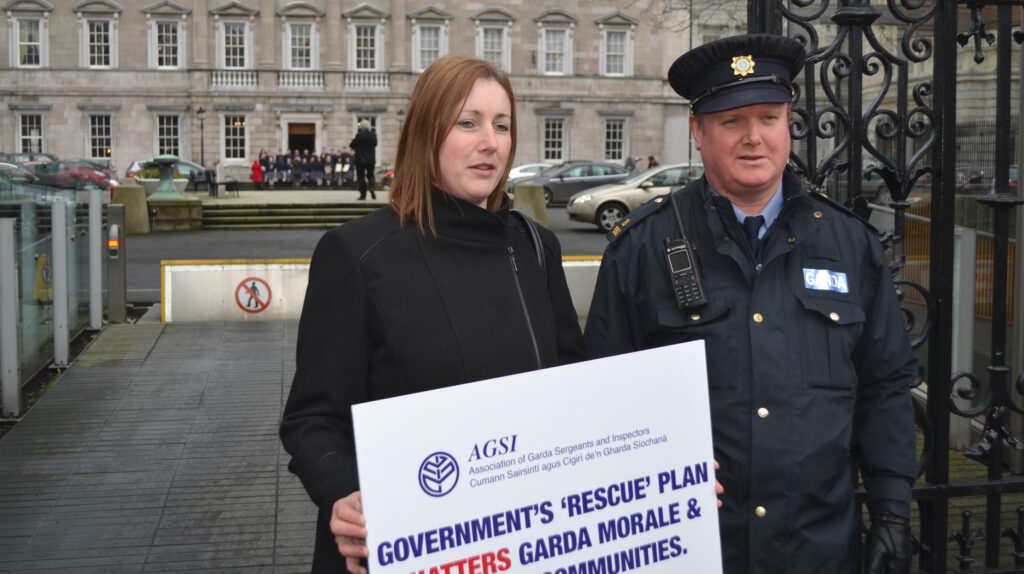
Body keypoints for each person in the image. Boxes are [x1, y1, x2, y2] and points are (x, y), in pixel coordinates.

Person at [584, 34, 917, 574]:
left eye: (768, 117)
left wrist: (892, 511)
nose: (753, 138)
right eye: (731, 121)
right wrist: (649, 469)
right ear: (698, 132)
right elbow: (603, 398)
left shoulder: (849, 244)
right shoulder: (641, 248)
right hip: (694, 548)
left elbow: (884, 387)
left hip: (817, 548)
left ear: (789, 124)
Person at [279, 55, 587, 574]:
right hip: (399, 544)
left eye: (502, 125)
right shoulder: (356, 254)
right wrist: (341, 492)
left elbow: (575, 386)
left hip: (519, 539)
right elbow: (312, 419)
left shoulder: (536, 246)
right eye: (468, 123)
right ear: (426, 134)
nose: (490, 142)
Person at [351, 119, 377, 200]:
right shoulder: (373, 135)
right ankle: (372, 187)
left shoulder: (359, 135)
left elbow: (352, 145)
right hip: (371, 159)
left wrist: (354, 141)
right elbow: (375, 144)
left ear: (362, 127)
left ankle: (363, 195)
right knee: (371, 175)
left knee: (361, 177)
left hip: (360, 159)